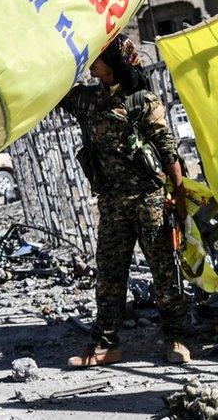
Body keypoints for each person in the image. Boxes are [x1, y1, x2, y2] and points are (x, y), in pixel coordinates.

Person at [60, 35, 189, 367]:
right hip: (113, 202)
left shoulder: (141, 101)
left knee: (163, 272)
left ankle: (176, 339)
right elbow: (53, 93)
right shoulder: (86, 100)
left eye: (99, 57)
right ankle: (106, 344)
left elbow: (167, 148)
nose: (93, 62)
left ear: (116, 63)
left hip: (150, 200)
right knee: (109, 274)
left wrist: (178, 194)